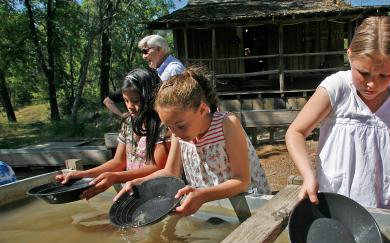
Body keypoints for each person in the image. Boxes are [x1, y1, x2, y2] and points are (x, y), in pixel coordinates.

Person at [285, 16, 390, 210]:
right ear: (350, 55)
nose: (372, 84)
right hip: (337, 201)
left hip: (381, 203)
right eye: (363, 73)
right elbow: (295, 132)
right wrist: (308, 175)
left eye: (384, 75)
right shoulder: (336, 89)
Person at [114, 67, 271, 216]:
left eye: (181, 125)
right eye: (169, 126)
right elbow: (170, 172)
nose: (174, 133)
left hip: (250, 205)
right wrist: (140, 182)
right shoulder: (178, 133)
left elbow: (241, 181)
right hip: (213, 205)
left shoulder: (227, 124)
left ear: (202, 110)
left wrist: (203, 195)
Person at [56, 68, 169, 199]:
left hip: (158, 194)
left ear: (150, 97)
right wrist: (82, 174)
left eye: (136, 101)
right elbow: (118, 162)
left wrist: (115, 177)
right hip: (133, 192)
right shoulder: (128, 123)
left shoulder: (162, 125)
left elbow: (157, 168)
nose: (130, 106)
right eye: (126, 101)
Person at [104, 34, 185, 118]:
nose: (143, 56)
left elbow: (177, 104)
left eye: (145, 51)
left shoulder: (174, 69)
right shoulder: (160, 70)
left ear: (159, 49)